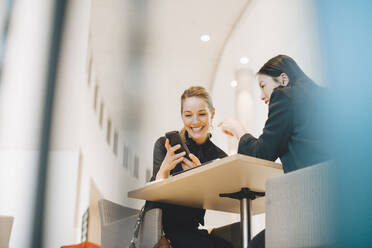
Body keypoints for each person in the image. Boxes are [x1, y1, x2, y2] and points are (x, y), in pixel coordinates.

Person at [219, 55, 329, 247]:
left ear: (284, 80)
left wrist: (239, 130)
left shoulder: (284, 95)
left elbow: (261, 153)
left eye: (262, 86)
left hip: (310, 206)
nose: (262, 96)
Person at [145, 86, 234, 248]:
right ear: (182, 116)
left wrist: (201, 178)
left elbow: (223, 200)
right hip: (161, 230)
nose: (195, 122)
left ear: (212, 114)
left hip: (191, 230)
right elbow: (153, 198)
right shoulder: (164, 146)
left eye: (201, 114)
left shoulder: (220, 158)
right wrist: (163, 172)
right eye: (188, 115)